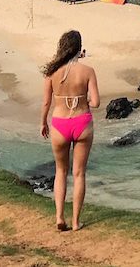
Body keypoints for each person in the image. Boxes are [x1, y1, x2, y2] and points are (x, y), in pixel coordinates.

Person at [40, 30, 100, 232]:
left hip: (59, 124)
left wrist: (43, 123)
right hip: (82, 123)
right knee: (79, 174)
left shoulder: (52, 72)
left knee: (60, 171)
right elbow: (97, 102)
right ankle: (75, 222)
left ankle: (59, 217)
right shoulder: (88, 71)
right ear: (79, 48)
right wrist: (85, 100)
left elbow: (47, 102)